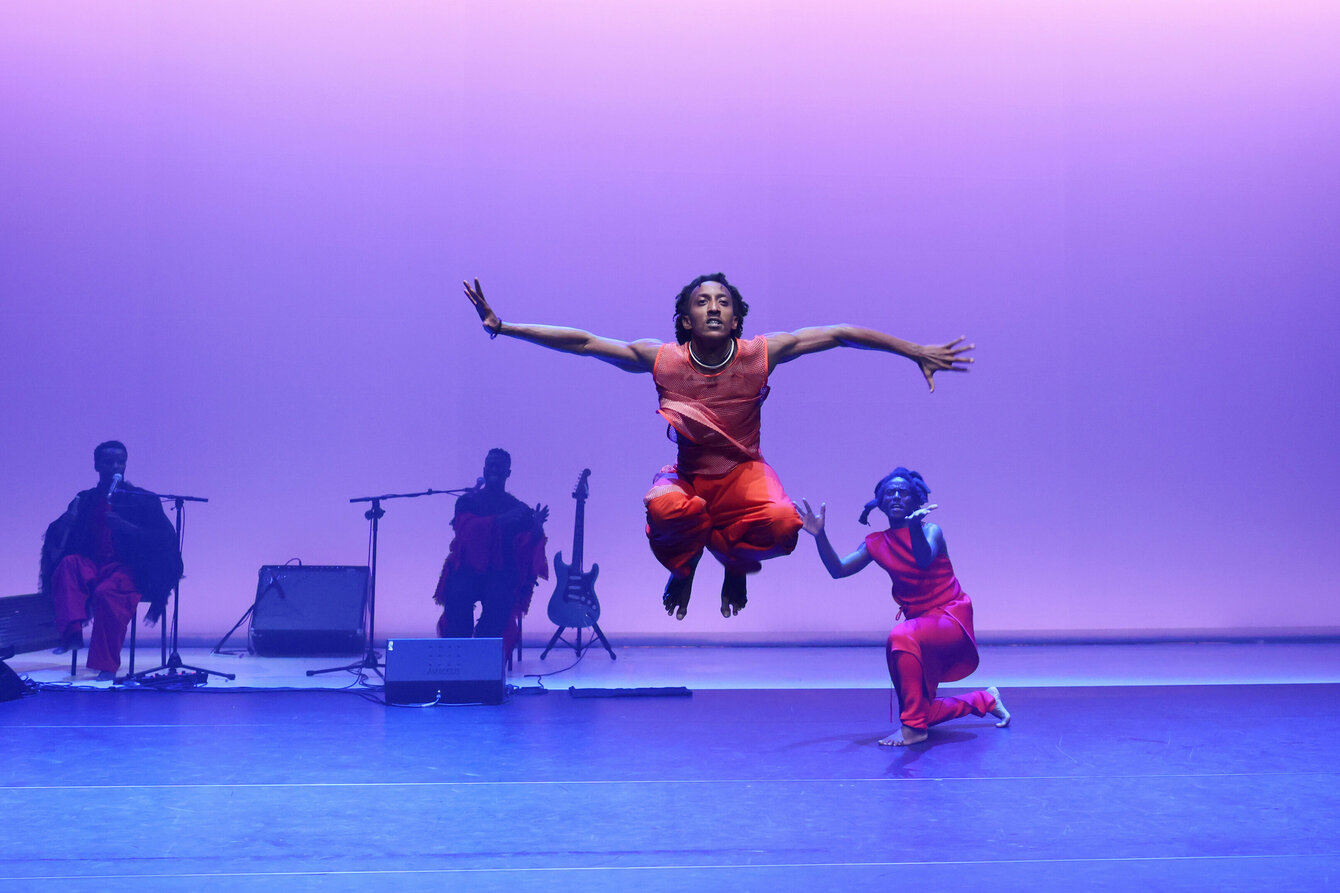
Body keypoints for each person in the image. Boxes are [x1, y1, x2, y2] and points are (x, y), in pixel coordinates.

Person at [462, 274, 974, 620]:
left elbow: (839, 334)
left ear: (735, 320)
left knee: (782, 524)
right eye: (701, 301)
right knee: (664, 508)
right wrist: (505, 327)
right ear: (686, 319)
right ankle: (684, 570)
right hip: (690, 476)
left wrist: (914, 352)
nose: (713, 306)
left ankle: (733, 565)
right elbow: (585, 342)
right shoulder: (663, 359)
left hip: (744, 473)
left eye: (722, 302)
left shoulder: (759, 355)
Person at [800, 468, 1010, 745]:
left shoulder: (931, 531)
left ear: (915, 500)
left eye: (903, 492)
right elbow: (838, 570)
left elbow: (923, 560)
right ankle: (983, 699)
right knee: (919, 709)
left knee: (901, 636)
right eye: (890, 492)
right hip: (920, 624)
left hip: (950, 617)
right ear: (880, 502)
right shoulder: (875, 542)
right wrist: (820, 536)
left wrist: (913, 528)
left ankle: (913, 730)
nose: (896, 496)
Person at [40, 441, 182, 681]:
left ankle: (106, 665)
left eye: (120, 462)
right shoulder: (85, 499)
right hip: (93, 563)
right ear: (97, 465)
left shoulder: (141, 499)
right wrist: (67, 520)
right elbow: (59, 533)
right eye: (109, 462)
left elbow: (165, 538)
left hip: (128, 567)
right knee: (68, 566)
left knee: (108, 594)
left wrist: (129, 528)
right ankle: (72, 634)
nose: (116, 467)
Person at [433, 449, 549, 658]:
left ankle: (484, 663)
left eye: (499, 466)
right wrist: (500, 521)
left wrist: (537, 530)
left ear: (508, 473)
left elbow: (526, 545)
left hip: (499, 571)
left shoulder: (518, 507)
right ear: (484, 469)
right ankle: (456, 663)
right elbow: (465, 531)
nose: (493, 469)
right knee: (458, 599)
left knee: (500, 604)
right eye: (490, 465)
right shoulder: (468, 501)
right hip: (467, 567)